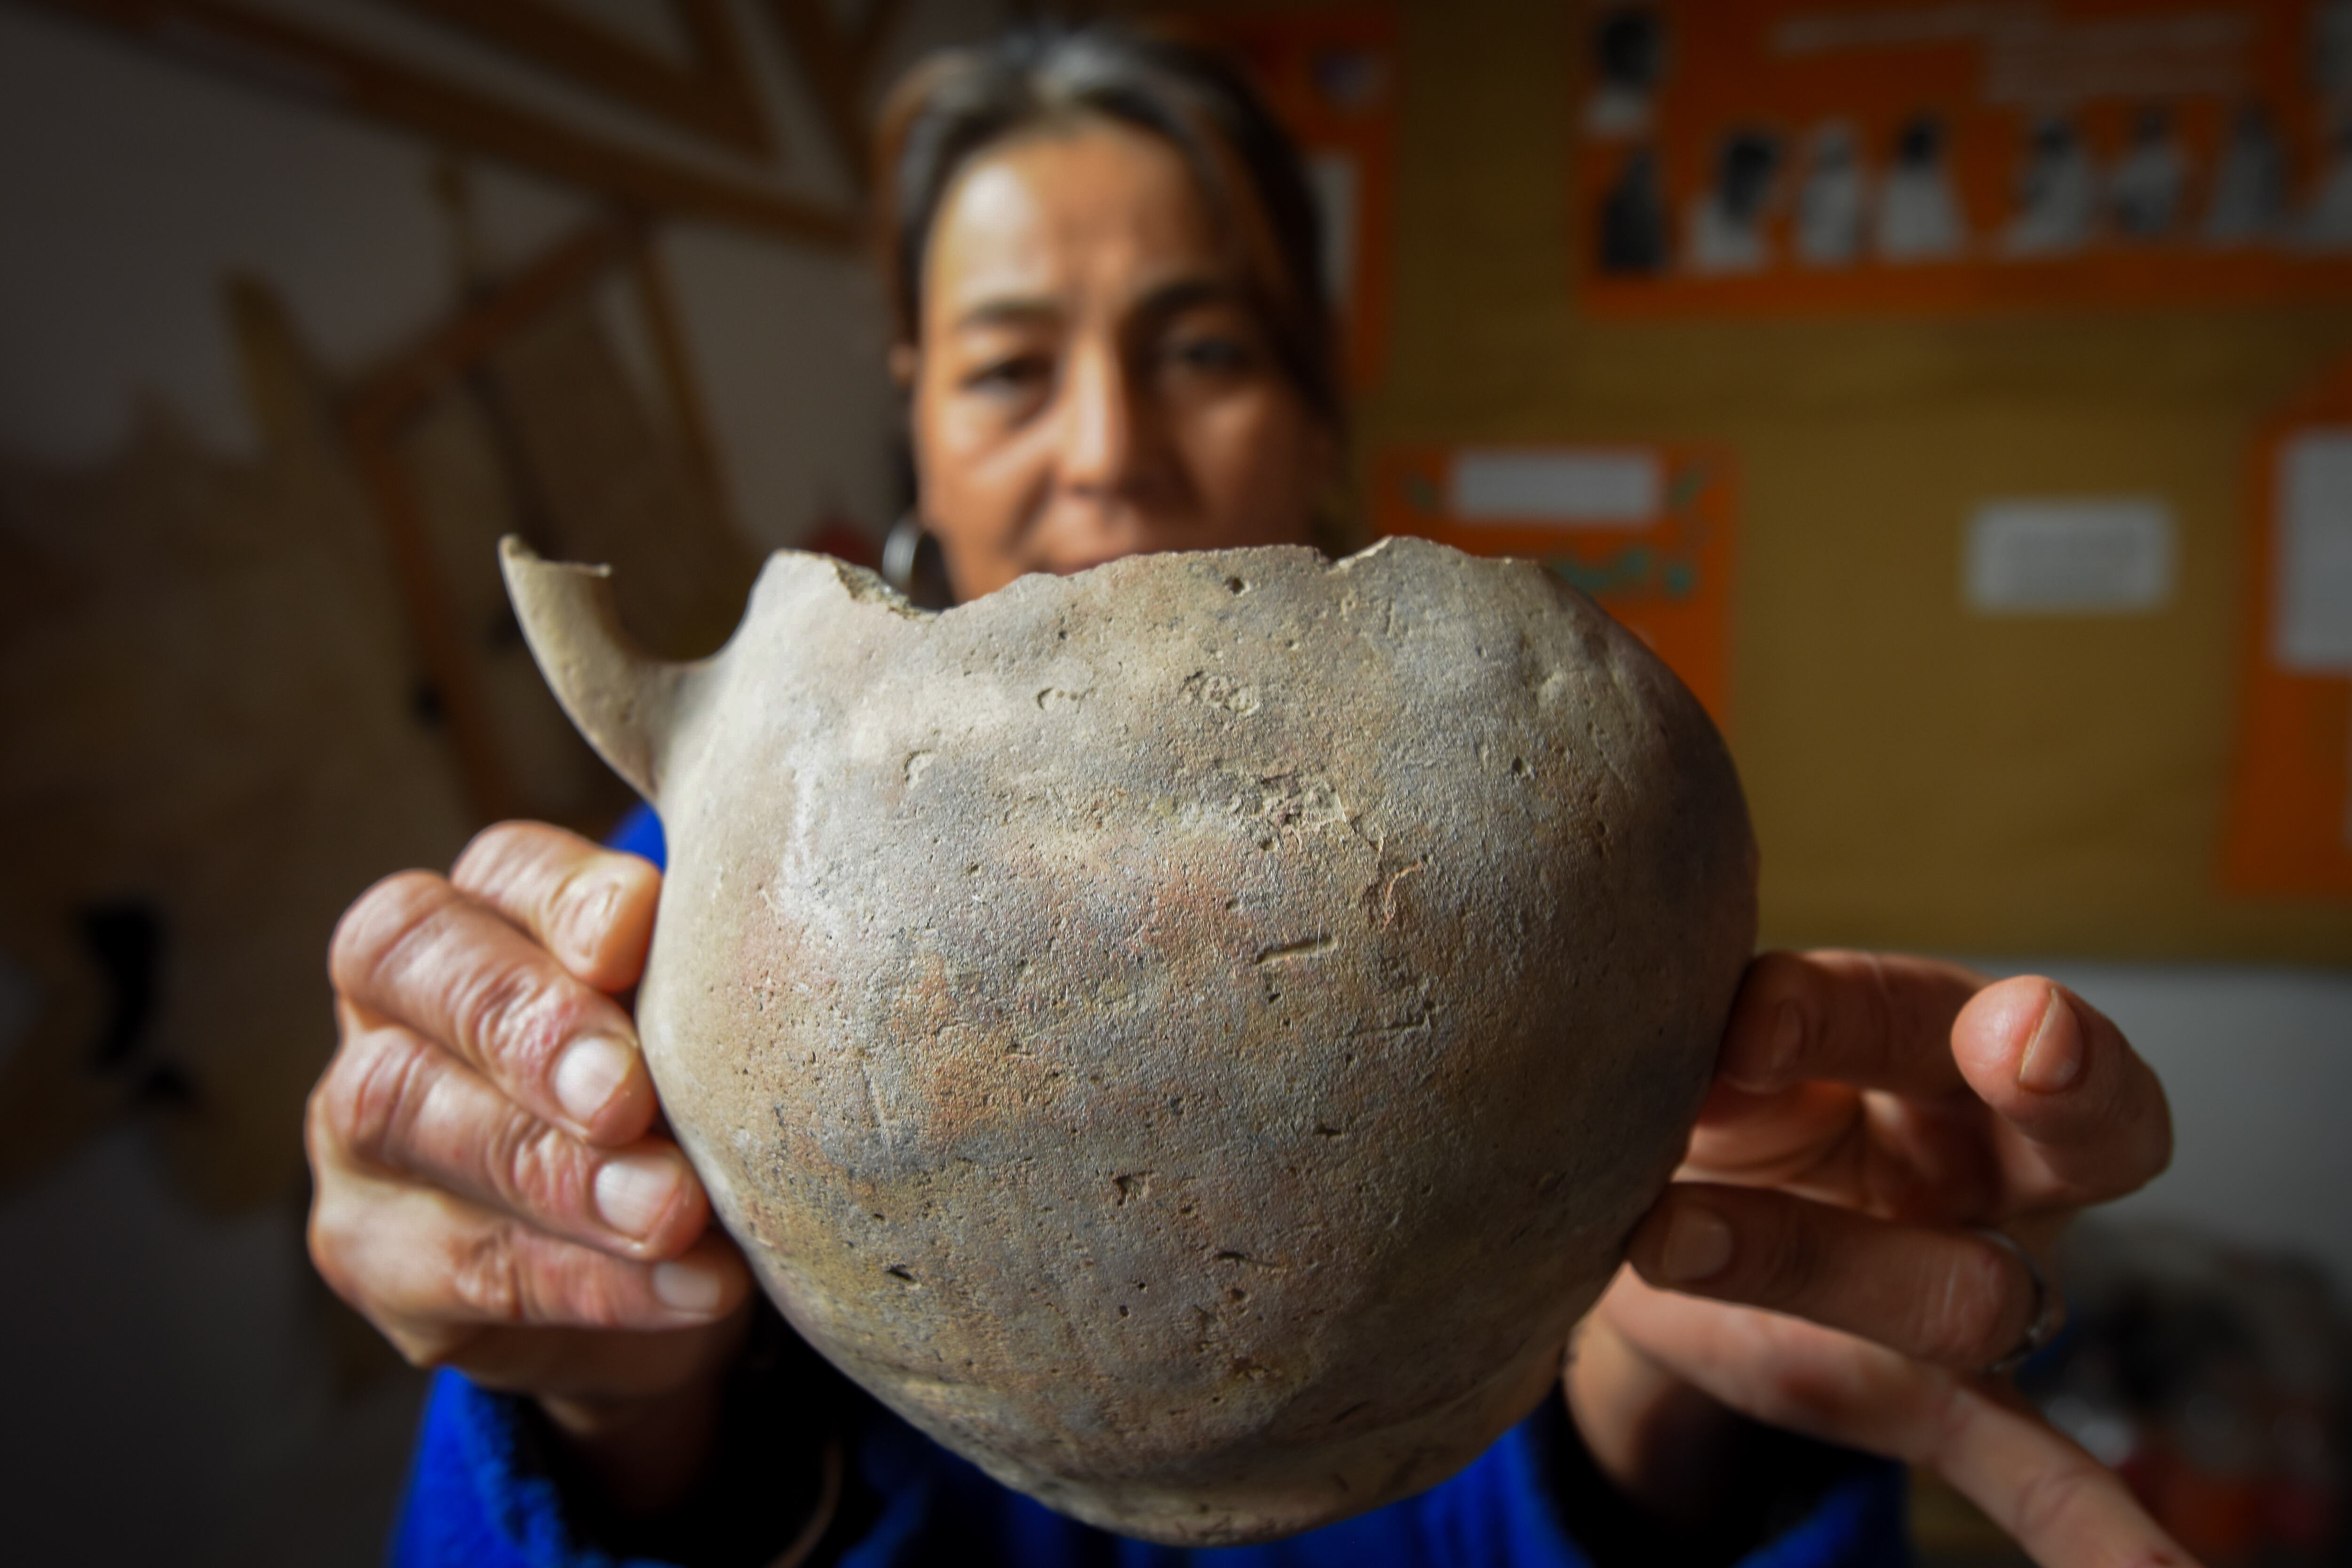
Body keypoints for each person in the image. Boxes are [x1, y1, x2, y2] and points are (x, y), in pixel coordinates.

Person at [307, 25, 2187, 1568]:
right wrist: (589, 1382)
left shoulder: (1545, 872)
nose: (1109, 453)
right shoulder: (692, 904)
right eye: (1009, 367)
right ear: (917, 416)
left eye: (1199, 347)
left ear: (1309, 404)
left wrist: (1668, 1391)